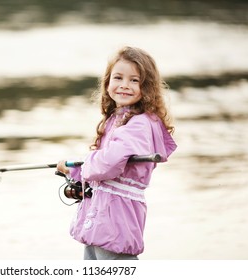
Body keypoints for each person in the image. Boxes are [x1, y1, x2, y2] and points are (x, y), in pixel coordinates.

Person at [57, 46, 177, 260]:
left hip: (116, 220)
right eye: (118, 77)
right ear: (107, 82)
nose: (124, 85)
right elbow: (102, 162)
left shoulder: (139, 124)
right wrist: (73, 170)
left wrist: (84, 166)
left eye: (134, 80)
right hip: (101, 216)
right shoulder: (117, 118)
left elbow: (109, 163)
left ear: (146, 87)